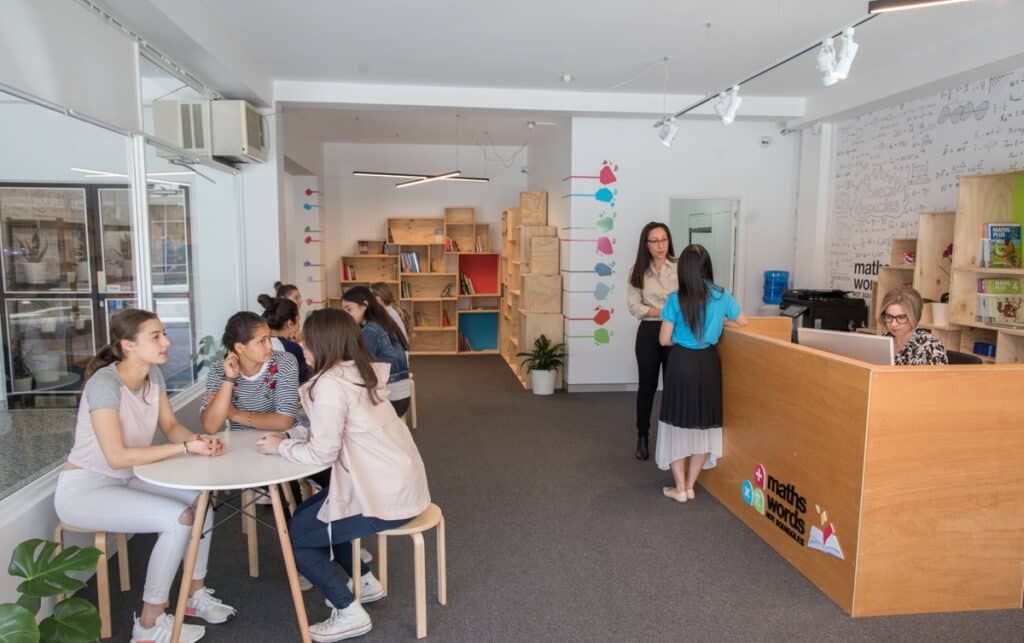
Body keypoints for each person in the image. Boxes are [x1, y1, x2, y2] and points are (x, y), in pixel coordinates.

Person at [54, 309, 236, 643]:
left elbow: (169, 427)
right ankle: (149, 626)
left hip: (124, 479)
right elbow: (116, 454)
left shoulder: (154, 377)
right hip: (85, 490)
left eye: (164, 333)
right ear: (128, 345)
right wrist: (184, 449)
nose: (167, 342)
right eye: (156, 336)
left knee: (202, 502)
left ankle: (194, 595)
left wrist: (196, 441)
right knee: (178, 519)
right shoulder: (104, 384)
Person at [257, 308, 429, 642]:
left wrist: (280, 447)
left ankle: (349, 611)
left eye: (306, 342)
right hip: (395, 483)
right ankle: (364, 581)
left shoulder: (329, 386)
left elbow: (323, 453)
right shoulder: (357, 373)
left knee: (299, 537)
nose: (301, 348)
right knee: (310, 514)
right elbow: (340, 434)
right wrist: (293, 439)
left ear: (324, 344)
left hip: (380, 492)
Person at [658, 244, 747, 503]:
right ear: (707, 266)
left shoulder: (676, 299)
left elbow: (664, 340)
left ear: (683, 270)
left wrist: (681, 337)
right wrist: (719, 322)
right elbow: (743, 321)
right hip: (708, 363)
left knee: (677, 423)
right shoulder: (721, 296)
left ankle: (680, 488)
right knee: (702, 423)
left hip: (682, 363)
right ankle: (692, 485)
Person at [626, 222, 678, 461]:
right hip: (648, 333)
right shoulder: (637, 271)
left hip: (675, 334)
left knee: (673, 387)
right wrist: (663, 310)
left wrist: (659, 309)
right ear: (645, 244)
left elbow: (686, 303)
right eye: (655, 241)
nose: (660, 245)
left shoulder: (679, 268)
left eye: (664, 239)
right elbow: (635, 307)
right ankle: (643, 436)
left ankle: (670, 438)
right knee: (646, 386)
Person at [199, 311, 300, 433]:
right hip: (240, 444)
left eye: (269, 338)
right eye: (261, 341)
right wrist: (229, 379)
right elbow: (210, 427)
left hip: (280, 440)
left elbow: (285, 422)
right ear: (240, 348)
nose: (269, 346)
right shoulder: (218, 370)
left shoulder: (285, 362)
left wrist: (234, 414)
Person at [339, 286, 411, 418]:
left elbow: (358, 365)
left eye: (349, 309)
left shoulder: (371, 330)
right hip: (402, 395)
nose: (346, 315)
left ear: (364, 305)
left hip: (391, 399)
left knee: (343, 408)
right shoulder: (384, 322)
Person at [879, 287, 949, 365]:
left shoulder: (931, 346)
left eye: (901, 317)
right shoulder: (885, 338)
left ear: (914, 316)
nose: (893, 324)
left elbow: (940, 377)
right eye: (889, 316)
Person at [259, 293, 311, 383]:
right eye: (298, 320)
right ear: (290, 323)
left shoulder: (254, 342)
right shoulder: (293, 348)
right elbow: (304, 380)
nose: (299, 326)